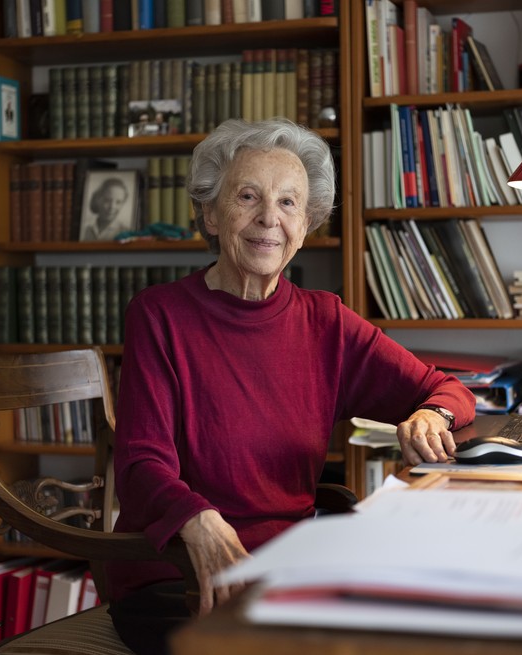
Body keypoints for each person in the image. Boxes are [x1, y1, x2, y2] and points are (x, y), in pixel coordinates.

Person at [106, 118, 476, 654]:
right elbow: (140, 463)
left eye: (287, 203)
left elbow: (447, 390)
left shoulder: (326, 321)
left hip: (292, 569)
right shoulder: (159, 316)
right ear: (210, 212)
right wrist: (196, 519)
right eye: (248, 196)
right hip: (180, 571)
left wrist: (430, 415)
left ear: (307, 224)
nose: (268, 220)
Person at [82, 176, 130, 241]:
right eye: (107, 200)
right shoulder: (84, 227)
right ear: (98, 199)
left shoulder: (126, 232)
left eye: (118, 202)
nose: (112, 207)